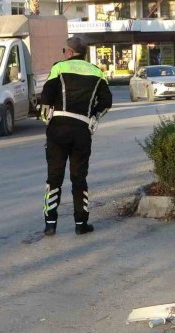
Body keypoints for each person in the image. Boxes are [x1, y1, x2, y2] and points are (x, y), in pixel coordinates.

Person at [40, 36, 113, 236]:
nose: (63, 54)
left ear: (70, 52)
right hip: (82, 130)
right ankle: (81, 224)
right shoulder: (98, 73)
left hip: (58, 128)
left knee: (54, 176)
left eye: (64, 51)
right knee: (79, 178)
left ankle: (50, 223)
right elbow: (107, 102)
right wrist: (93, 117)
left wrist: (46, 120)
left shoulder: (59, 68)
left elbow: (45, 99)